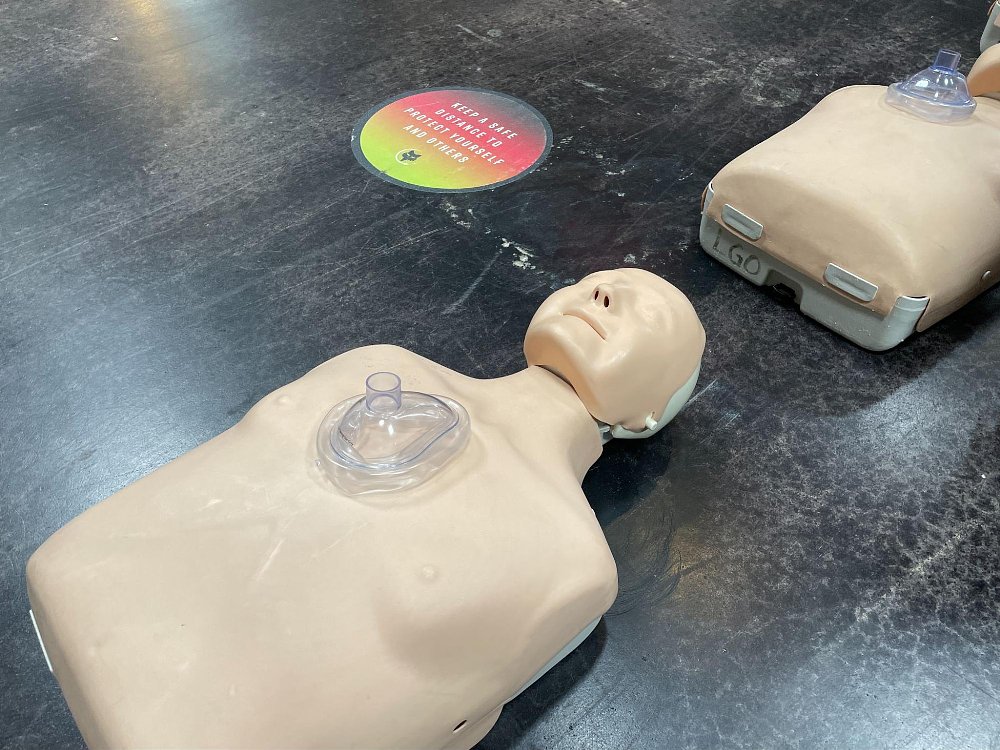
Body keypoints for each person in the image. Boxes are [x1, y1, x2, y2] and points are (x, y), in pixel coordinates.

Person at [27, 268, 705, 750]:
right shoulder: (381, 364)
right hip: (105, 584)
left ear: (649, 417)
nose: (604, 290)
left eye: (647, 315)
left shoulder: (570, 559)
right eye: (596, 279)